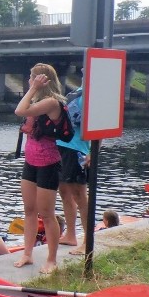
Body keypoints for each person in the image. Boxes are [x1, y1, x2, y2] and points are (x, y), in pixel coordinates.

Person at [13, 63, 66, 274]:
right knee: (29, 210)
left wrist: (33, 88)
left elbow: (20, 110)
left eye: (31, 78)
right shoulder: (35, 100)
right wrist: (32, 91)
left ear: (41, 81)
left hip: (48, 163)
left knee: (46, 213)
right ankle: (27, 253)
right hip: (31, 161)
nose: (28, 81)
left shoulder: (52, 102)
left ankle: (51, 259)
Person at [57, 85, 89, 254]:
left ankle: (87, 241)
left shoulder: (94, 93)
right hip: (61, 145)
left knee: (79, 195)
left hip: (78, 149)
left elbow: (102, 122)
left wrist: (93, 152)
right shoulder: (77, 91)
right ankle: (70, 235)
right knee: (64, 192)